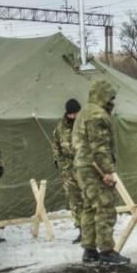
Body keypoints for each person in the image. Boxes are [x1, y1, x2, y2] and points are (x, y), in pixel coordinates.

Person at [73, 80, 129, 264]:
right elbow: (99, 147)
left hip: (82, 166)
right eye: (110, 97)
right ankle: (107, 251)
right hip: (94, 168)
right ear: (103, 95)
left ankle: (89, 250)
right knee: (104, 207)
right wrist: (108, 172)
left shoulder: (84, 112)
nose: (112, 101)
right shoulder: (97, 115)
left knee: (89, 207)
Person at [52, 98, 84, 243]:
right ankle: (82, 230)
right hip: (69, 170)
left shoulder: (85, 124)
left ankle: (93, 231)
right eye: (72, 114)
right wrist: (62, 164)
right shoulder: (60, 128)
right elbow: (55, 147)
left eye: (76, 113)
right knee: (75, 201)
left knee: (89, 199)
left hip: (85, 169)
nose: (74, 116)